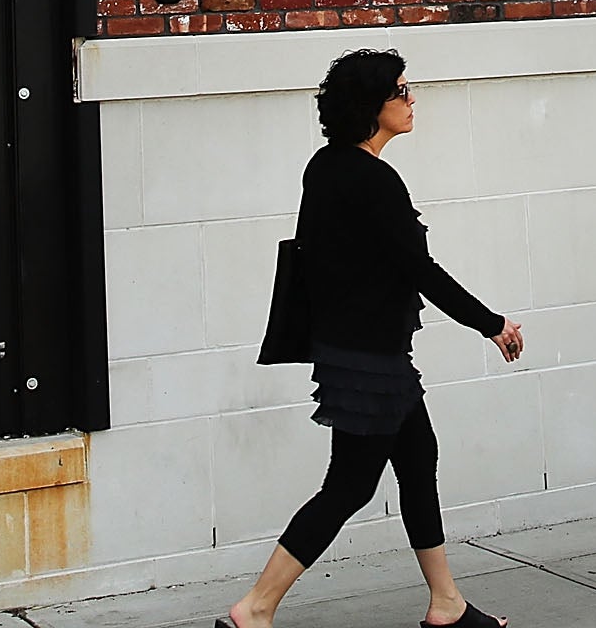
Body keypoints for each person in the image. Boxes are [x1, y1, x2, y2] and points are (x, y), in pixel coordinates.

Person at [223, 50, 525, 628]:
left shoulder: (326, 165)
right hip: (368, 359)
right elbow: (421, 270)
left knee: (417, 460)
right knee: (349, 486)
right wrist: (491, 324)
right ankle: (254, 610)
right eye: (402, 92)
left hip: (359, 351)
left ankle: (447, 604)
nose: (412, 101)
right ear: (372, 105)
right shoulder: (373, 179)